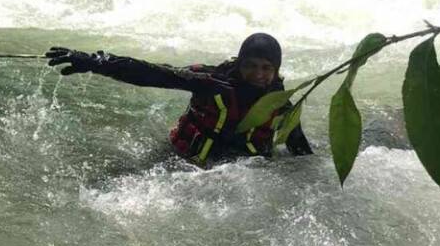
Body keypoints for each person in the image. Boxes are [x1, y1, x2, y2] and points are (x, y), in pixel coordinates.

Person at [45, 32, 313, 166]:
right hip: (183, 162)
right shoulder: (212, 83)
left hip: (241, 175)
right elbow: (152, 73)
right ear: (240, 64)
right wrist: (97, 62)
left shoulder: (282, 105)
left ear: (276, 70)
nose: (258, 75)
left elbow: (301, 155)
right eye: (251, 66)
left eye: (267, 68)